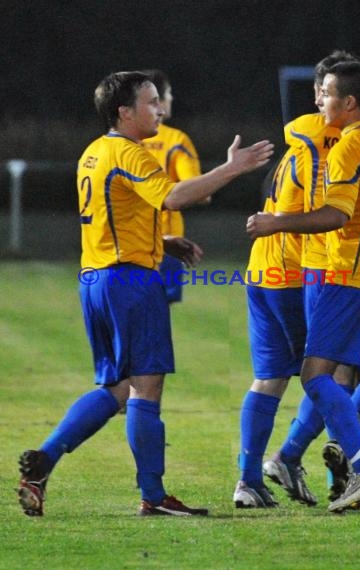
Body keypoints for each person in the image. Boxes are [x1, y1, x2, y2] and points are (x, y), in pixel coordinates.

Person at [17, 70, 273, 517]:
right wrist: (231, 168)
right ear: (125, 112)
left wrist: (162, 242)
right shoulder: (131, 152)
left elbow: (117, 211)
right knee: (145, 387)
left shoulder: (94, 152)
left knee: (116, 387)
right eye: (151, 102)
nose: (159, 109)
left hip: (97, 277)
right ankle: (153, 496)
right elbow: (173, 197)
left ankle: (46, 459)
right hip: (131, 282)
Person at [247, 60, 360, 512]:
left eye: (324, 93)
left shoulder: (349, 147)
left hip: (350, 277)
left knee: (317, 375)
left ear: (347, 102)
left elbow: (336, 215)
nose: (318, 101)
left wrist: (275, 223)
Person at [233, 140, 309, 508]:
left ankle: (247, 480)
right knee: (339, 374)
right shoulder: (323, 156)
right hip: (294, 276)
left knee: (269, 378)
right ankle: (290, 458)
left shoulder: (291, 155)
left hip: (262, 270)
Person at [141, 69, 203, 303]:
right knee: (157, 315)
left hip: (126, 240)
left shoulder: (121, 141)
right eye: (168, 93)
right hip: (166, 239)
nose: (171, 99)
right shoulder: (176, 140)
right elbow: (195, 190)